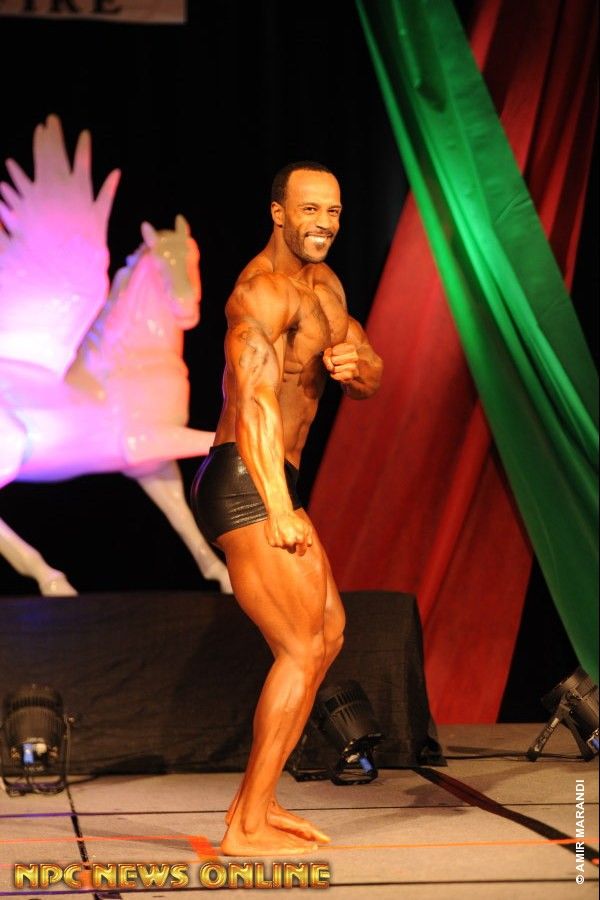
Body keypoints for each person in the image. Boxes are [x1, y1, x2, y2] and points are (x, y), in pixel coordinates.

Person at [191, 161, 382, 855]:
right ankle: (246, 827)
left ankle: (259, 803)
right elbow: (254, 400)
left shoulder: (325, 288)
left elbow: (365, 362)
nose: (323, 223)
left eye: (333, 211)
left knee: (327, 634)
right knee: (301, 646)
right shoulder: (260, 292)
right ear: (279, 213)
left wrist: (361, 371)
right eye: (309, 209)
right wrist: (277, 504)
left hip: (276, 478)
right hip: (248, 475)